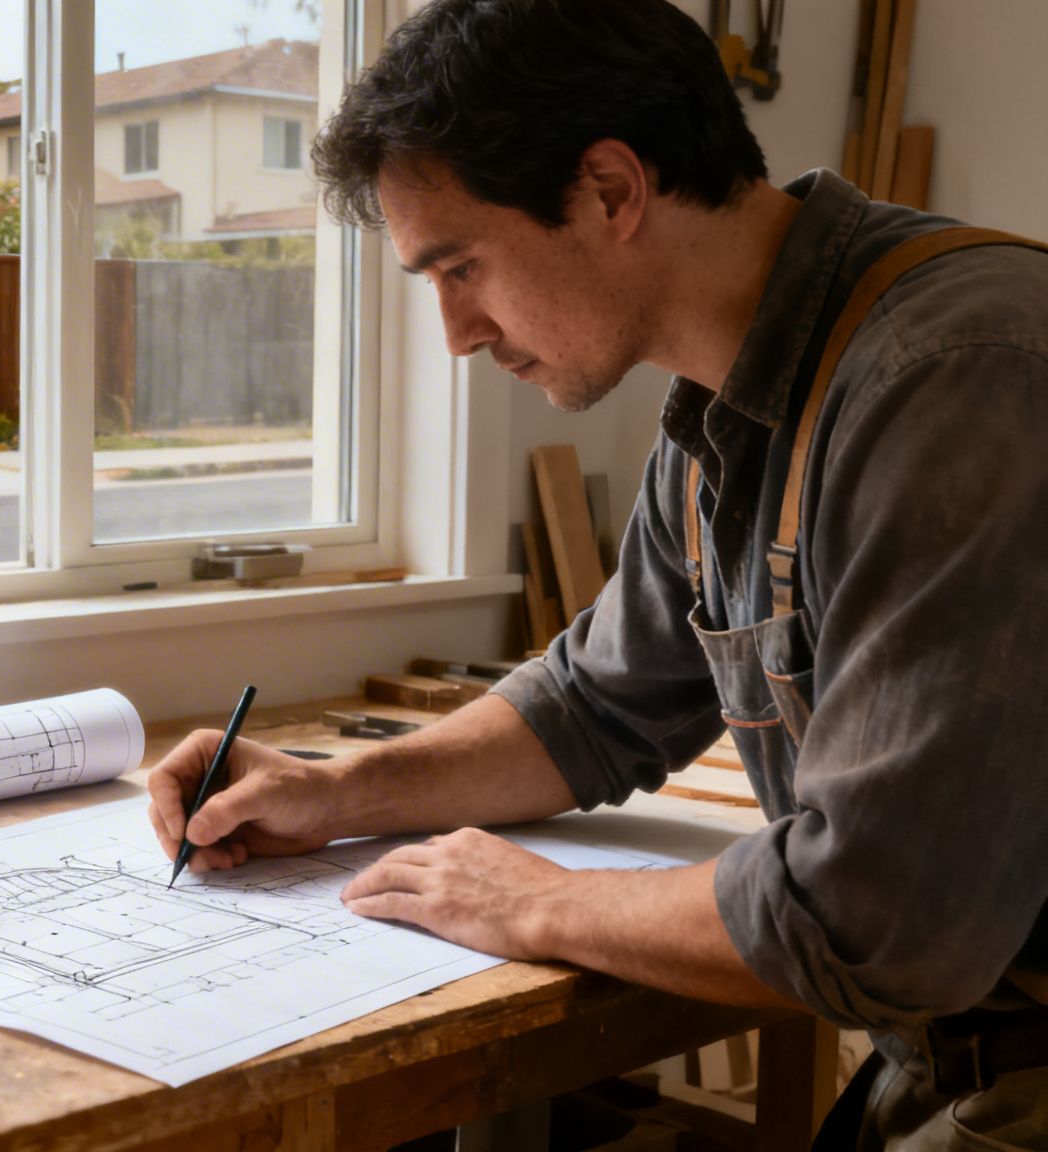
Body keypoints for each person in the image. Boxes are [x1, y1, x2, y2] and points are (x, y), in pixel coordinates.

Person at [143, 1, 1048, 1147]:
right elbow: (593, 703)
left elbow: (873, 920)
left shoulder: (956, 382)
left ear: (611, 190)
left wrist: (538, 903)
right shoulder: (720, 413)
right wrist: (331, 793)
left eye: (460, 265)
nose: (455, 335)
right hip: (950, 1061)